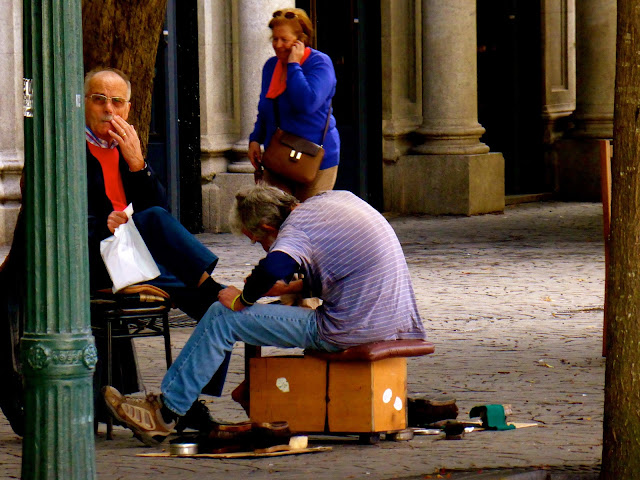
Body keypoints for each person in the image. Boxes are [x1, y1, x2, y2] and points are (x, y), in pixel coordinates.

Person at [103, 184, 426, 445]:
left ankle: (167, 412)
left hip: (350, 328)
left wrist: (243, 298)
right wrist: (287, 288)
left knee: (222, 316)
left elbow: (274, 266)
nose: (261, 246)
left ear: (269, 227)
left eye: (257, 240)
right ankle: (197, 399)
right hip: (395, 321)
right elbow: (345, 268)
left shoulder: (295, 230)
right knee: (248, 314)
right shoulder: (333, 200)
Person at [85, 67, 228, 430]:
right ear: (83, 104)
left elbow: (159, 205)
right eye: (99, 100)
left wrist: (138, 164)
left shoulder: (124, 149)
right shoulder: (70, 150)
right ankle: (209, 280)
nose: (109, 110)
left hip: (133, 259)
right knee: (151, 220)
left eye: (117, 102)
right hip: (90, 257)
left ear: (129, 109)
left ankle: (182, 403)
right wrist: (104, 224)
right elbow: (55, 218)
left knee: (221, 310)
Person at [248, 8, 340, 202]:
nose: (278, 45)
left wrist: (293, 65)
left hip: (314, 159)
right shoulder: (271, 66)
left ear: (301, 40)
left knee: (309, 220)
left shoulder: (320, 64)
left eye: (284, 40)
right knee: (277, 220)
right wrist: (255, 138)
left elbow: (306, 103)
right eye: (274, 39)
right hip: (279, 157)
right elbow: (264, 107)